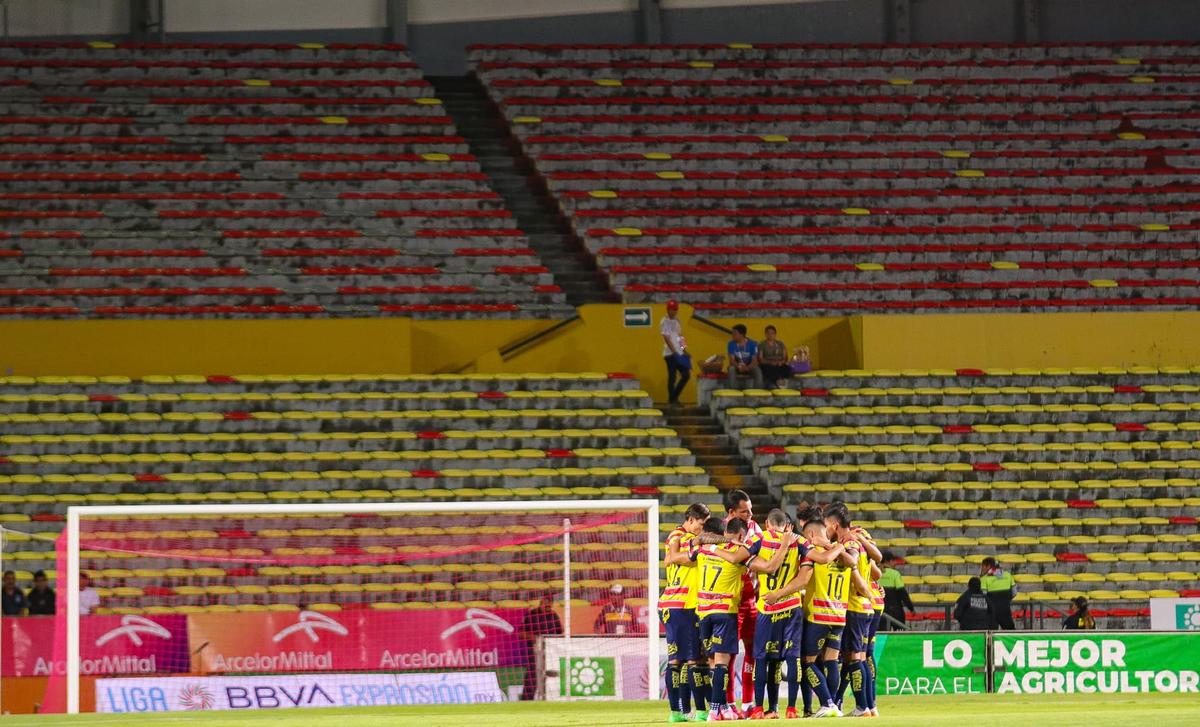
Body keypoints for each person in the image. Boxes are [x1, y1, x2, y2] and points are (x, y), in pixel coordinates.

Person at [697, 516, 794, 722]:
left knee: (714, 661)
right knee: (723, 661)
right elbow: (769, 567)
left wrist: (719, 543)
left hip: (704, 611)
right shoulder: (739, 553)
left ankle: (724, 707)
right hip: (728, 609)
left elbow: (693, 542)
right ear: (742, 535)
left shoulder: (704, 548)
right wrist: (784, 545)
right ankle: (719, 708)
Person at [761, 511, 851, 719]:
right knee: (830, 661)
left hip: (818, 614)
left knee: (807, 662)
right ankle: (834, 704)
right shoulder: (840, 552)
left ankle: (827, 702)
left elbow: (803, 580)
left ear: (810, 535)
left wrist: (779, 594)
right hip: (839, 616)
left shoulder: (813, 553)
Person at [661, 502, 711, 722]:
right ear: (691, 520)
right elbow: (673, 555)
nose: (702, 529)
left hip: (672, 604)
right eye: (701, 524)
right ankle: (700, 711)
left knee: (677, 661)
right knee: (693, 660)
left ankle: (677, 713)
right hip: (684, 605)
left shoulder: (683, 538)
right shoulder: (678, 536)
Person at [722, 490, 762, 715]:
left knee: (752, 651)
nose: (750, 515)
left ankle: (748, 703)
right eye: (744, 511)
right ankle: (728, 704)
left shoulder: (755, 528)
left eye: (751, 510)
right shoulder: (719, 530)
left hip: (751, 600)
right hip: (729, 602)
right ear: (731, 512)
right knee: (728, 654)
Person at [519, 592, 563, 700]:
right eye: (545, 603)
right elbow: (521, 633)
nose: (547, 606)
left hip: (550, 652)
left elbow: (560, 632)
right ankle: (527, 699)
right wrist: (535, 638)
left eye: (549, 604)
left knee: (550, 673)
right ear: (541, 603)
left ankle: (550, 697)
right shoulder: (532, 615)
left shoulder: (553, 615)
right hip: (534, 650)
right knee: (532, 674)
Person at [660, 300, 690, 406]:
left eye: (676, 309)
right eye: (673, 309)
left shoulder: (677, 321)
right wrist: (674, 352)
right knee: (672, 377)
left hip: (679, 353)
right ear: (668, 309)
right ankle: (673, 400)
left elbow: (680, 336)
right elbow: (667, 338)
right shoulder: (664, 321)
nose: (674, 311)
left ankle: (673, 398)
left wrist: (684, 349)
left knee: (686, 375)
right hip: (670, 354)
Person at [879, 551, 914, 630]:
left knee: (881, 634)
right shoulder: (895, 574)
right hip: (895, 611)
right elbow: (902, 593)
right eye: (893, 561)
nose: (895, 563)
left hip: (880, 611)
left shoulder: (876, 572)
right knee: (899, 634)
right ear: (889, 561)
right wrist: (911, 608)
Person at [980, 557, 1016, 630]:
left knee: (991, 635)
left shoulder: (984, 579)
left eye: (982, 566)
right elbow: (1014, 593)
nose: (981, 568)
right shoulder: (1008, 575)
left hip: (992, 611)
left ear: (988, 566)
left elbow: (983, 596)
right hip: (1005, 609)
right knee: (1010, 633)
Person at [725, 324, 763, 389]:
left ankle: (757, 391)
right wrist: (739, 367)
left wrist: (747, 368)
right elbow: (732, 360)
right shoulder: (731, 344)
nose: (732, 335)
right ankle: (733, 390)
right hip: (737, 366)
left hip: (749, 366)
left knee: (757, 371)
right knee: (731, 369)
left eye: (735, 334)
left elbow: (754, 360)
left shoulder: (752, 344)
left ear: (741, 335)